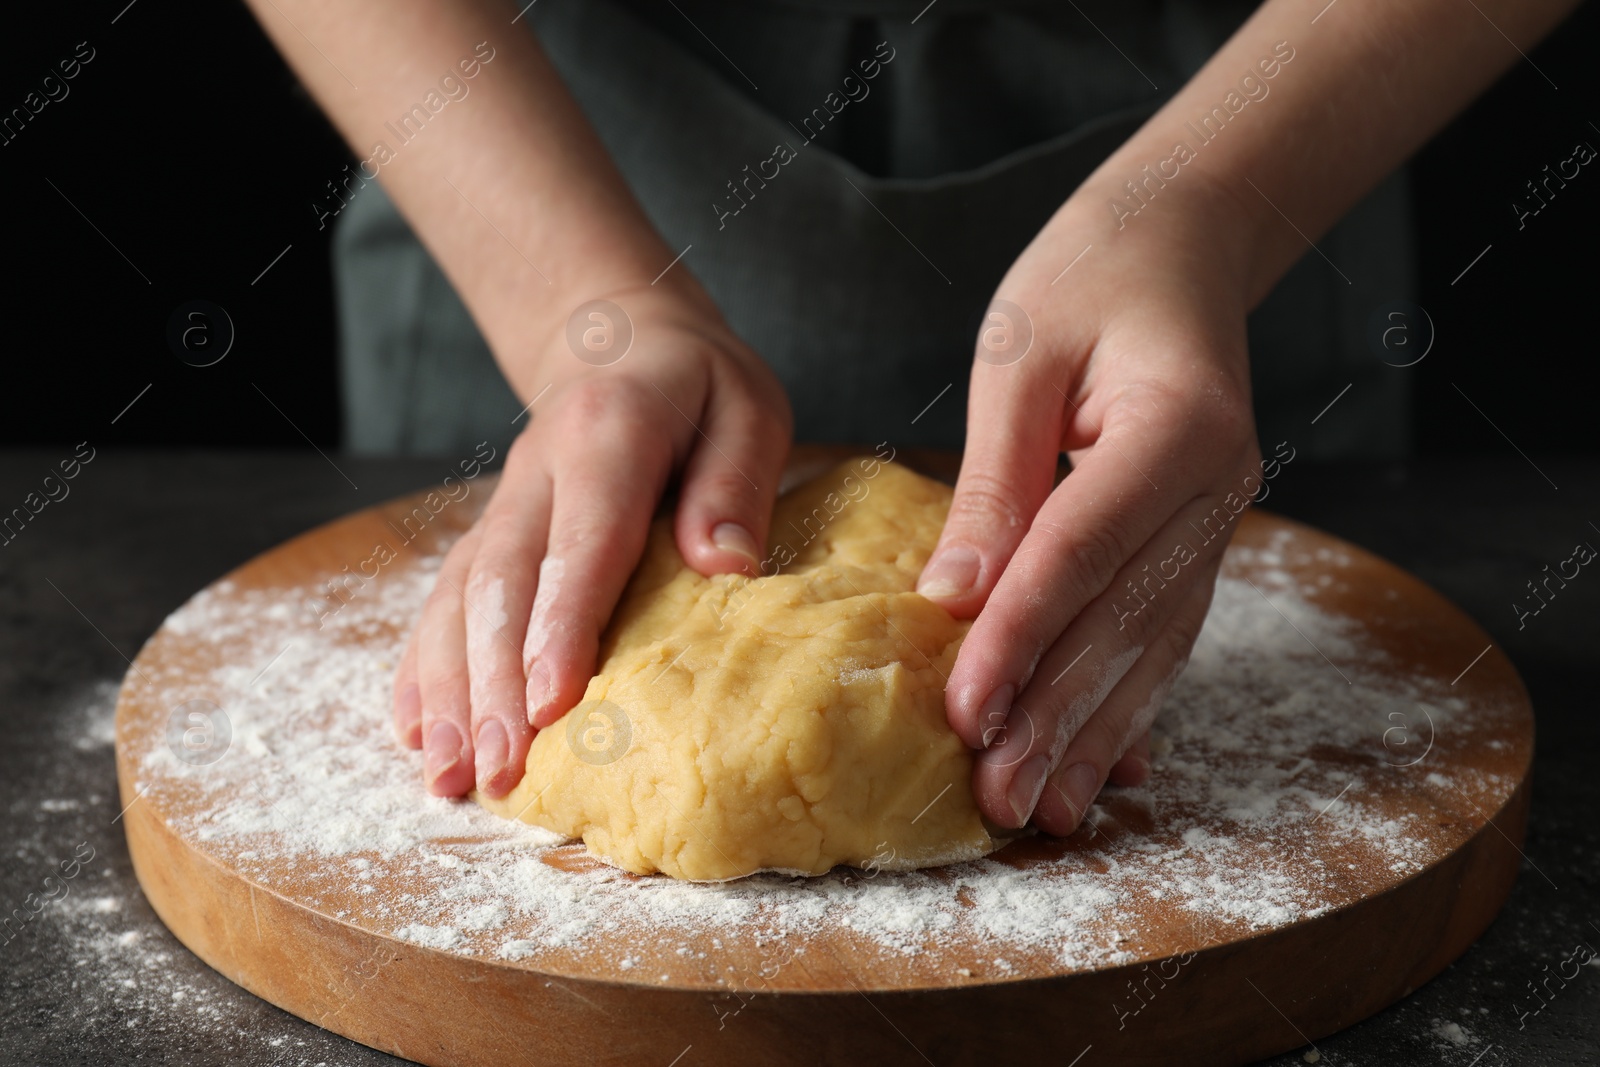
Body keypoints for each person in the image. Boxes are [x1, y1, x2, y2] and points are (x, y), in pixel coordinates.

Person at [248, 0, 1576, 837]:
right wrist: (572, 313)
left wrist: (1209, 205)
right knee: (553, 620)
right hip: (515, 133)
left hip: (1259, 106)